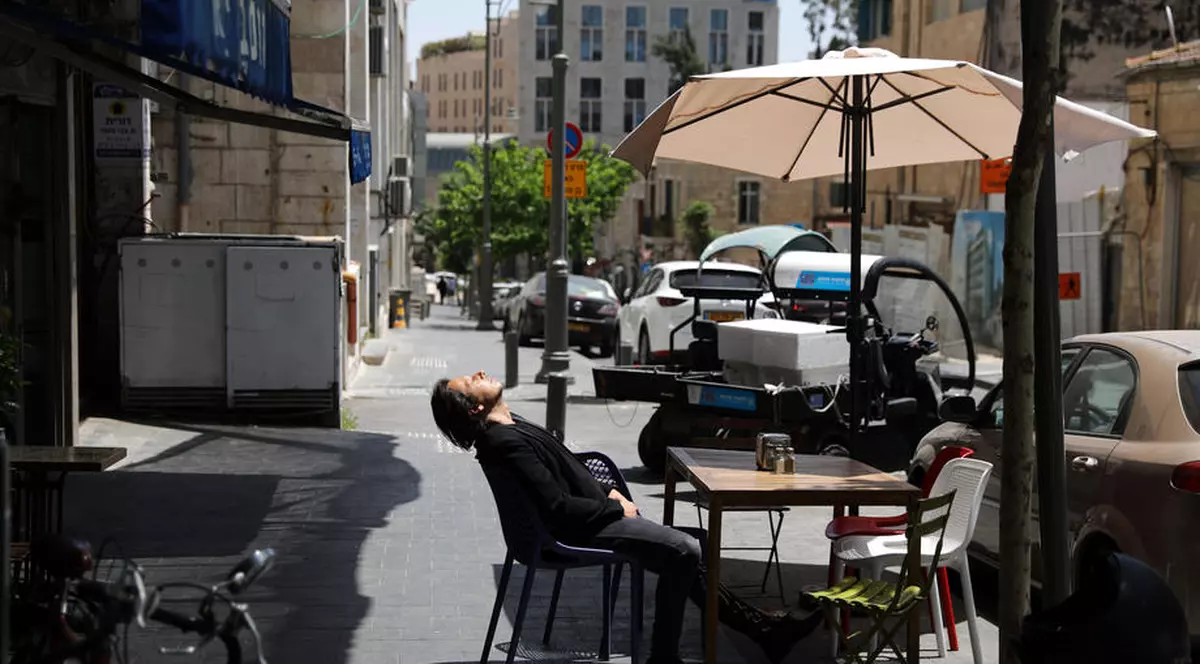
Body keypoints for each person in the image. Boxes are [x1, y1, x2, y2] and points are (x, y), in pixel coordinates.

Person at [430, 371, 823, 664]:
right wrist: (616, 507)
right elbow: (556, 507)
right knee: (684, 550)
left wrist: (607, 491)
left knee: (692, 546)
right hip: (576, 530)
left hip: (591, 517)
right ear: (475, 407)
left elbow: (568, 471)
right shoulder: (504, 442)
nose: (479, 374)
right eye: (471, 381)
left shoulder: (512, 428)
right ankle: (666, 656)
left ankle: (764, 632)